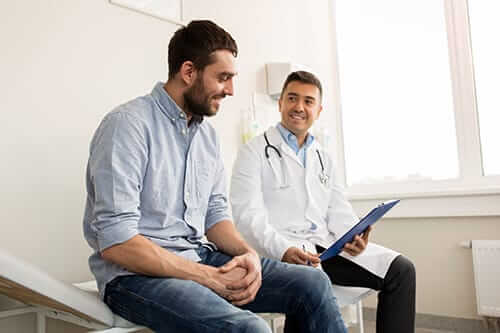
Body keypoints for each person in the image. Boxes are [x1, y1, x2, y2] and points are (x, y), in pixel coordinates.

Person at [83, 21, 347, 333]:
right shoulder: (127, 126)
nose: (231, 90)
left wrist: (247, 255)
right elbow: (118, 243)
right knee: (251, 329)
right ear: (189, 72)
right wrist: (206, 276)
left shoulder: (206, 136)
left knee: (312, 283)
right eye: (223, 78)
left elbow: (215, 216)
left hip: (199, 256)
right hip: (134, 277)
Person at [230, 71, 416, 333]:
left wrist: (354, 235)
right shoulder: (253, 152)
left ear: (318, 110)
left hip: (325, 248)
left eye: (308, 101)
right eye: (292, 98)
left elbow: (338, 210)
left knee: (401, 270)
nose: (299, 107)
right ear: (280, 102)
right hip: (280, 250)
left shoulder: (323, 157)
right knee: (309, 285)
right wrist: (283, 250)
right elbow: (247, 218)